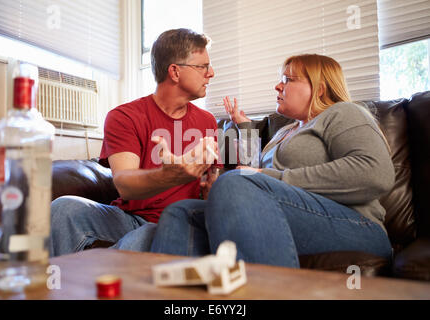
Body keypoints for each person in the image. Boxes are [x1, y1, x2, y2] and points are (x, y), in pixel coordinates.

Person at [150, 53, 395, 268]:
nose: (278, 86)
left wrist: (258, 179)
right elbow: (251, 172)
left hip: (356, 226)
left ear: (319, 88)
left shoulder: (343, 113)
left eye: (288, 79)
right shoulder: (283, 132)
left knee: (236, 184)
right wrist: (243, 130)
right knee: (181, 212)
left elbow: (375, 173)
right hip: (285, 215)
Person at [50, 28, 220, 257]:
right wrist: (169, 175)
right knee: (64, 208)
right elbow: (124, 184)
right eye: (203, 66)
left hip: (179, 221)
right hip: (129, 218)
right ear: (175, 72)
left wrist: (213, 191)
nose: (211, 73)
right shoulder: (124, 116)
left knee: (144, 237)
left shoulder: (207, 121)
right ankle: (58, 285)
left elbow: (210, 185)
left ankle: (96, 275)